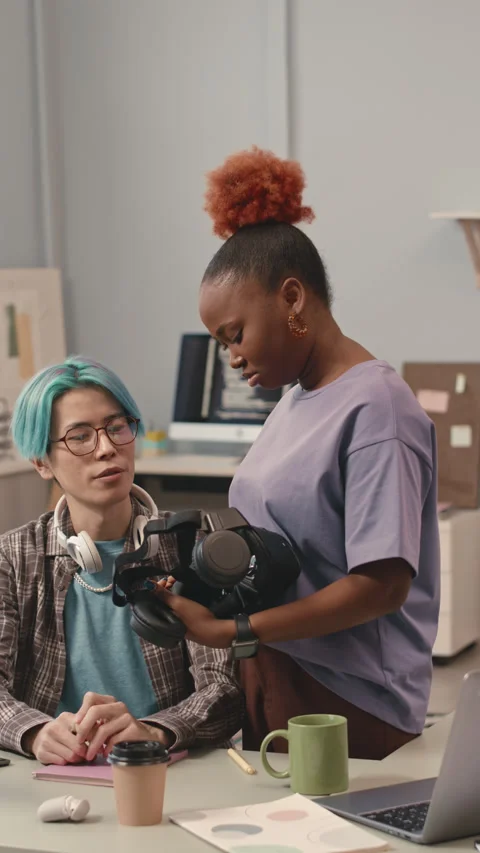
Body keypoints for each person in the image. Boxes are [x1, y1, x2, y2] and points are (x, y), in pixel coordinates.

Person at [156, 147, 440, 760]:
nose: (232, 358)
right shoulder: (295, 401)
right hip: (276, 677)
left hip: (349, 701)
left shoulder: (377, 408)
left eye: (235, 334)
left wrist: (236, 630)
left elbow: (380, 587)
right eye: (221, 343)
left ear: (291, 298)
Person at [0, 356, 243, 764]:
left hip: (162, 769)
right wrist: (35, 732)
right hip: (54, 777)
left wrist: (153, 731)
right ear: (42, 462)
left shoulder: (190, 546)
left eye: (117, 428)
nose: (107, 448)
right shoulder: (12, 558)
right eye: (80, 437)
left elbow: (224, 688)